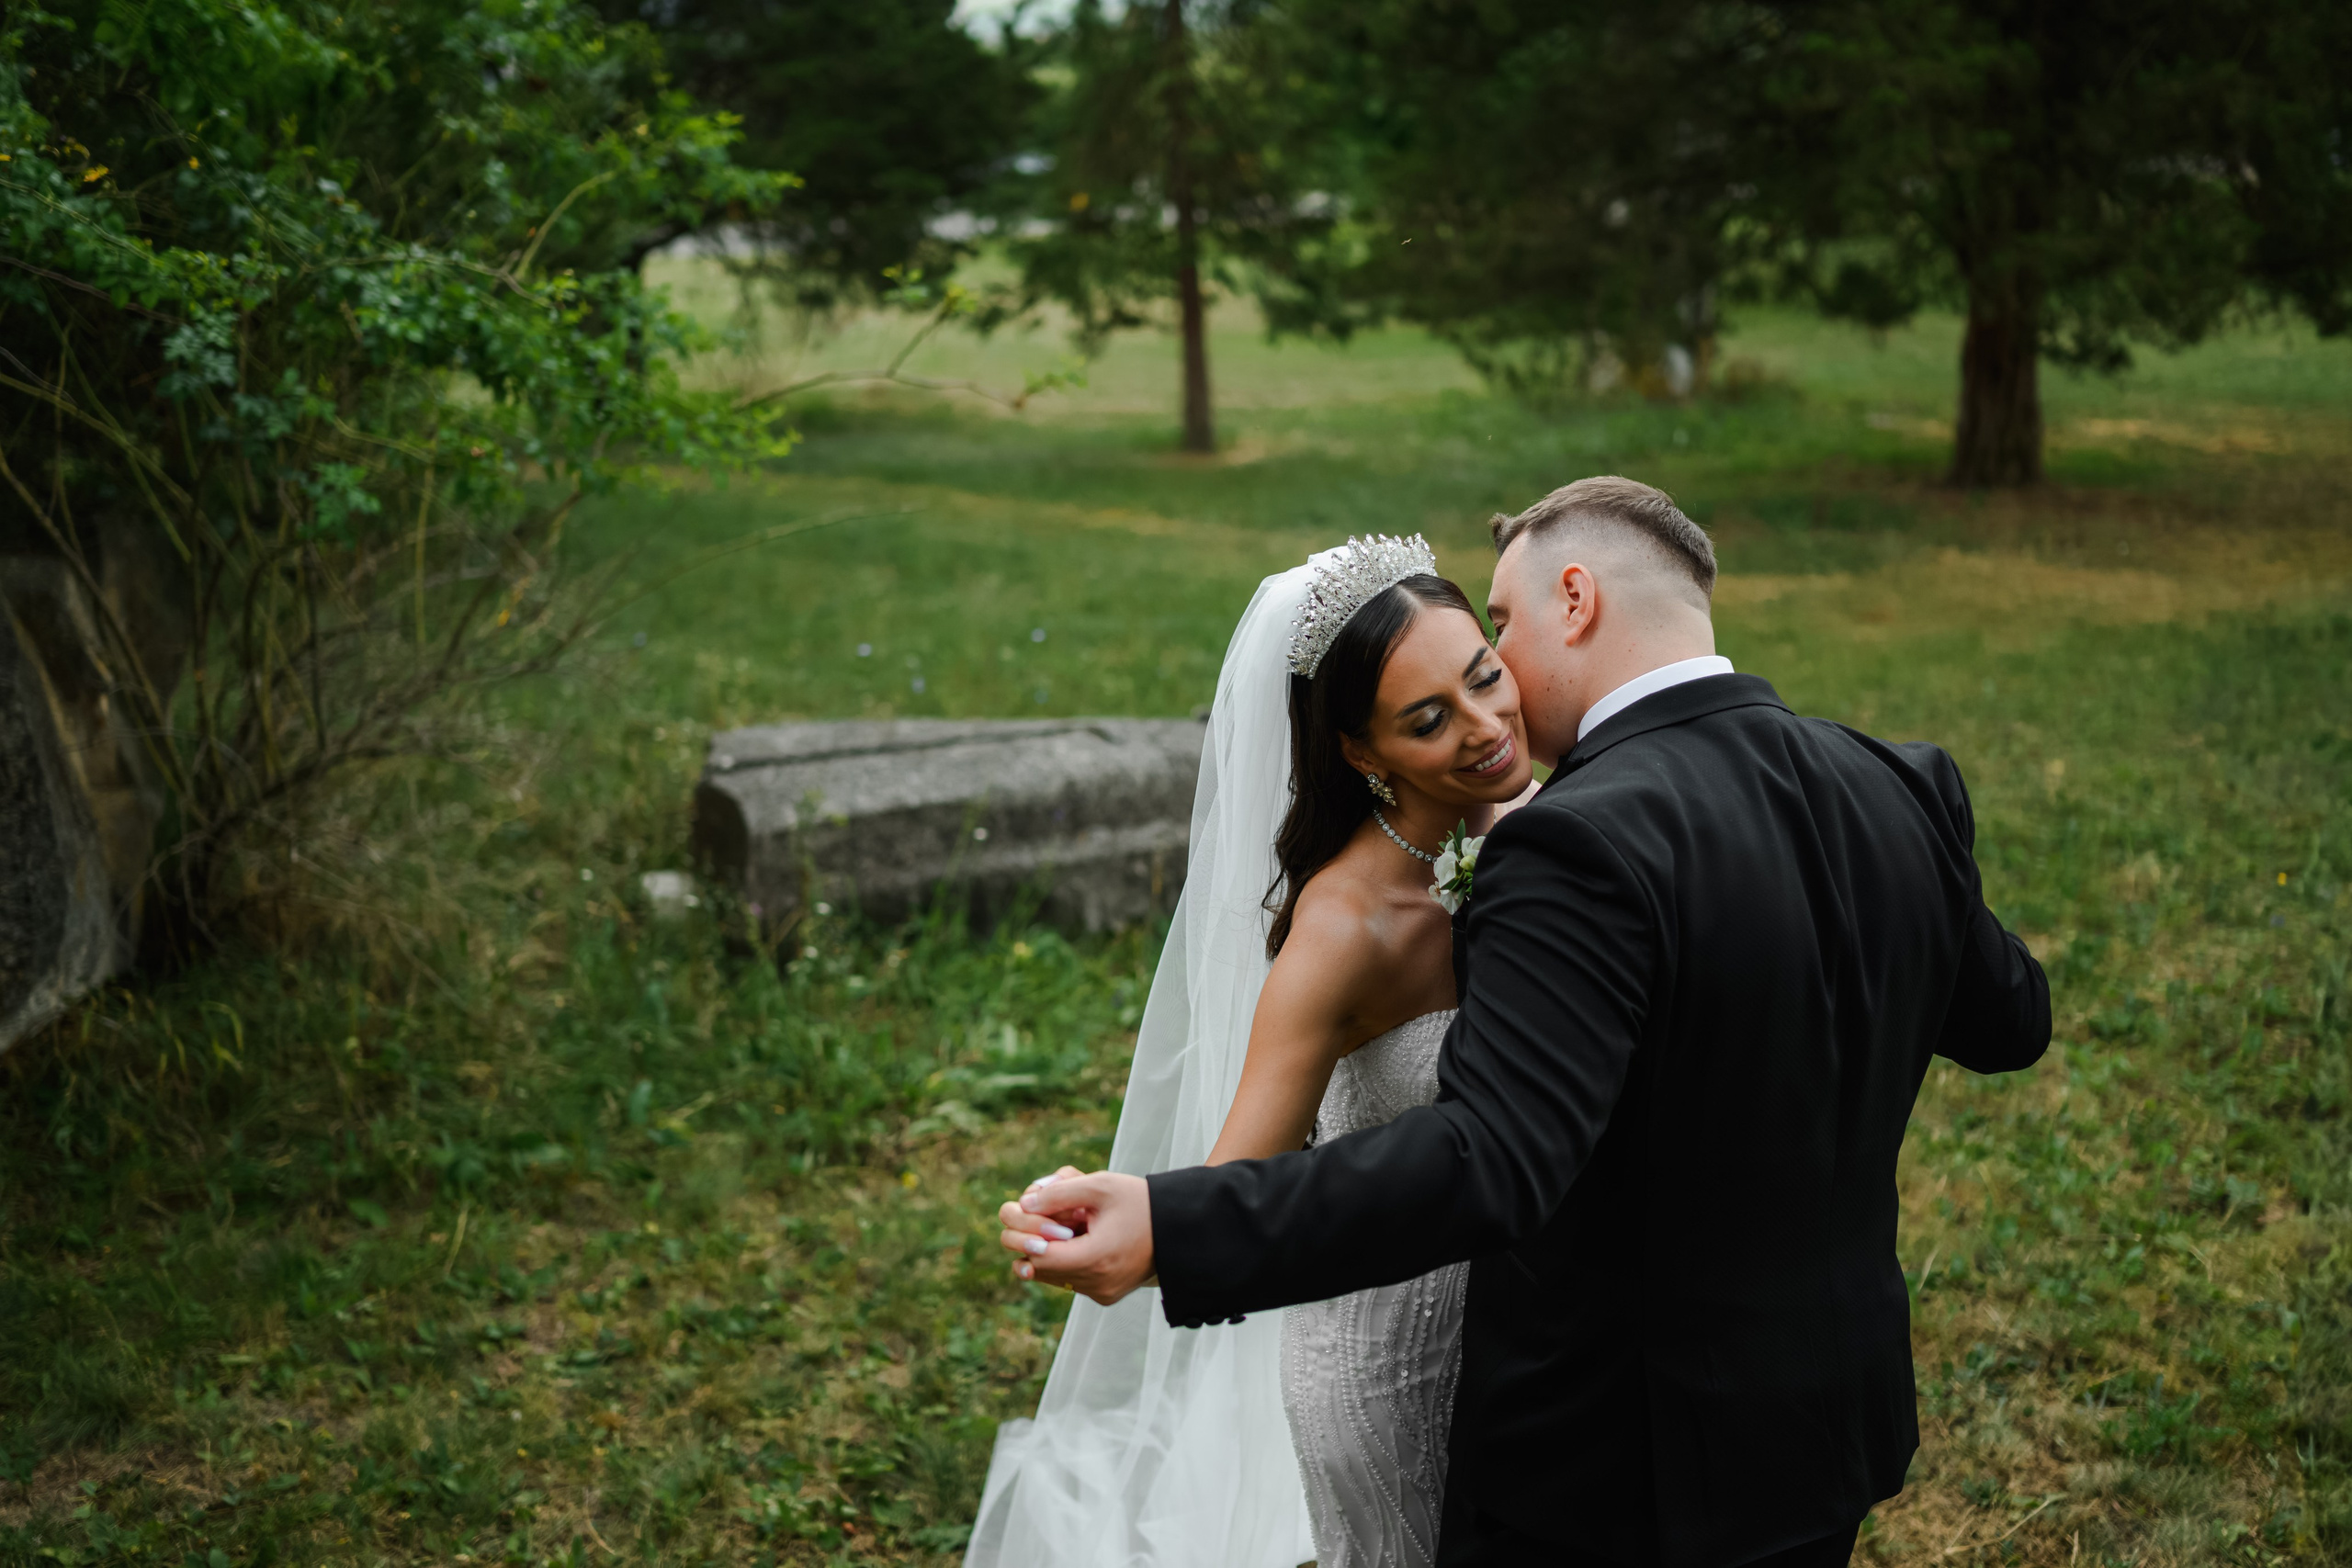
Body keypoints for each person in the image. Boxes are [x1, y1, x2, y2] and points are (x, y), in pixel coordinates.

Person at [998, 477, 2054, 1568]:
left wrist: (1176, 1227)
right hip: (1831, 1426)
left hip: (1621, 1470)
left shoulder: (1577, 845)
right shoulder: (1896, 781)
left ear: (1576, 600)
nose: (1495, 693)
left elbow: (1492, 1157)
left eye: (1498, 629)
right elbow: (2012, 1020)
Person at [965, 536, 1535, 1568]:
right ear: (1361, 755)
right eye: (1427, 720)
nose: (1487, 726)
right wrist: (1133, 1221)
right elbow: (1245, 1176)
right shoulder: (1342, 933)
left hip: (1532, 1340)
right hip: (1389, 1360)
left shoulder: (1544, 823)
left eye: (1485, 675)